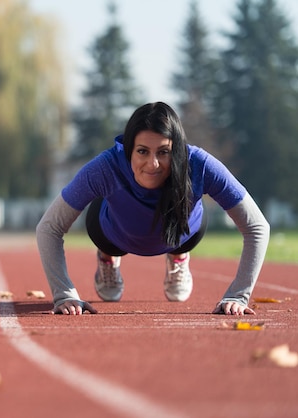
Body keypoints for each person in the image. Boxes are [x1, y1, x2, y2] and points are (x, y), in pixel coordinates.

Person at [36, 102, 269, 316]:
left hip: (184, 233)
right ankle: (108, 258)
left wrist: (238, 295)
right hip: (112, 234)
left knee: (185, 218)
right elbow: (49, 228)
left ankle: (178, 256)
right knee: (101, 220)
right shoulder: (104, 168)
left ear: (176, 150)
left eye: (164, 152)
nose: (153, 163)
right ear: (128, 149)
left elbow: (257, 226)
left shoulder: (201, 165)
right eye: (142, 151)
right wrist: (64, 294)